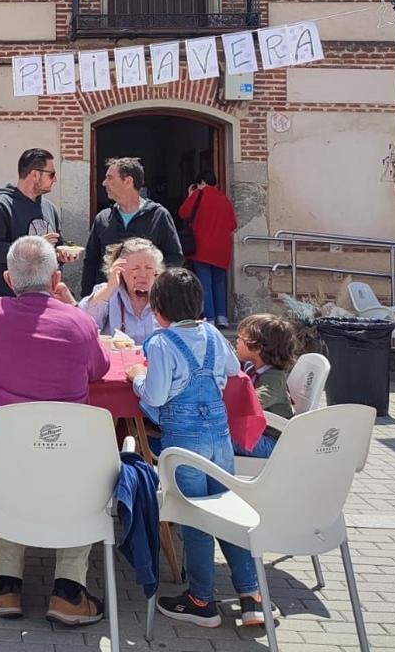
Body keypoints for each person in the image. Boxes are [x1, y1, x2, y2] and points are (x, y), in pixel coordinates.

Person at [125, 268, 276, 629]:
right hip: (219, 438)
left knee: (195, 518)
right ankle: (251, 596)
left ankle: (201, 599)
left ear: (158, 309)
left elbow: (156, 396)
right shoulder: (212, 333)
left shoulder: (161, 343)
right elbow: (230, 370)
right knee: (227, 513)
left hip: (185, 444)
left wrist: (137, 380)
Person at [0, 236, 110, 626]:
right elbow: (98, 370)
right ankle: (68, 592)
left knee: (15, 466)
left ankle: (6, 587)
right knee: (85, 473)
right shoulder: (80, 322)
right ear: (55, 279)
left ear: (8, 279)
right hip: (65, 469)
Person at [0, 148, 77, 301]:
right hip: (8, 302)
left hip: (46, 301)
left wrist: (62, 254)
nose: (55, 179)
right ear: (35, 174)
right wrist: (35, 247)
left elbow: (57, 244)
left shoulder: (49, 208)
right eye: (51, 174)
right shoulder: (0, 206)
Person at [82, 158, 183, 296]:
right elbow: (91, 262)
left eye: (110, 178)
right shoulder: (103, 219)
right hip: (107, 302)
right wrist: (87, 300)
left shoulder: (159, 216)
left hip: (147, 303)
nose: (104, 183)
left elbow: (175, 258)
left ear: (128, 181)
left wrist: (155, 286)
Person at [178, 170, 238, 327]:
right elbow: (233, 225)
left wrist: (191, 195)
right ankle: (222, 317)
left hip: (202, 248)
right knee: (219, 282)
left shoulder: (199, 195)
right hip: (222, 249)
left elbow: (183, 213)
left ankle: (210, 317)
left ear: (202, 182)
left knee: (205, 283)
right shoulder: (224, 199)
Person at [231, 314, 296, 459]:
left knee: (219, 437)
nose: (236, 342)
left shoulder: (274, 379)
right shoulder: (251, 366)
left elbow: (254, 402)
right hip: (258, 434)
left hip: (274, 444)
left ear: (258, 347)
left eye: (241, 339)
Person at [78, 238, 162, 343]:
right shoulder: (107, 292)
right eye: (135, 268)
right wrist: (109, 288)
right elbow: (83, 323)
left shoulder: (165, 297)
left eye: (149, 268)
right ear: (120, 270)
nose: (143, 274)